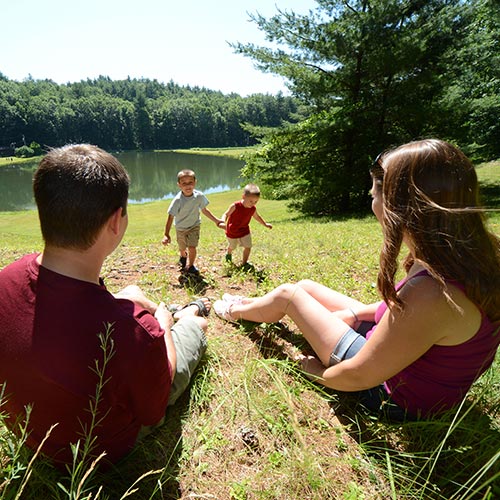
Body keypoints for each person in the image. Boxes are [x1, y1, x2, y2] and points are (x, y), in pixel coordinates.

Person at [214, 139, 500, 420]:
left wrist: (316, 373)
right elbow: (402, 316)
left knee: (289, 295)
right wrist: (354, 314)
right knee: (306, 289)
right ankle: (253, 304)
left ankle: (234, 310)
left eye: (376, 189)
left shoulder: (432, 292)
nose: (370, 194)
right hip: (412, 366)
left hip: (393, 395)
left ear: (399, 205)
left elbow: (360, 374)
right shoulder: (465, 256)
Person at [0, 144, 210, 469]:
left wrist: (128, 304)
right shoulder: (135, 332)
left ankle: (178, 311)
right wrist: (164, 327)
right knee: (195, 328)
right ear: (116, 221)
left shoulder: (6, 278)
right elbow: (154, 410)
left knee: (128, 293)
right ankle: (190, 313)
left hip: (30, 433)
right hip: (101, 449)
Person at [162, 169, 222, 274]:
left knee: (192, 247)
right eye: (184, 183)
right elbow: (170, 217)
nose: (187, 186)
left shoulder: (199, 196)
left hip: (194, 226)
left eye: (190, 182)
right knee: (182, 248)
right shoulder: (177, 200)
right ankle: (183, 257)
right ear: (179, 185)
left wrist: (216, 220)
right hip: (180, 228)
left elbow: (205, 210)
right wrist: (166, 234)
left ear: (195, 182)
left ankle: (190, 266)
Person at [218, 183, 272, 267]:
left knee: (248, 246)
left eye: (255, 201)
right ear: (243, 197)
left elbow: (257, 217)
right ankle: (228, 253)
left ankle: (244, 263)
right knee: (233, 246)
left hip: (244, 231)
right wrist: (222, 221)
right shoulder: (235, 206)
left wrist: (265, 224)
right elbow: (226, 214)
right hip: (232, 231)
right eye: (251, 201)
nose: (253, 203)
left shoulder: (252, 209)